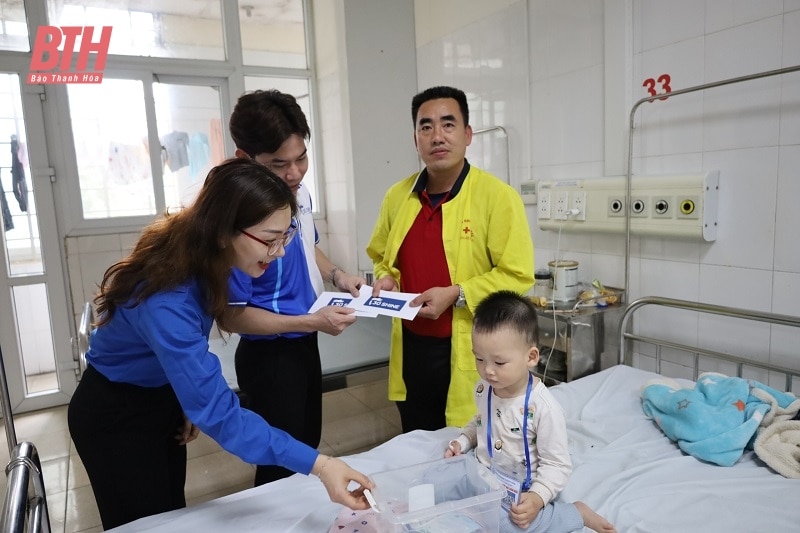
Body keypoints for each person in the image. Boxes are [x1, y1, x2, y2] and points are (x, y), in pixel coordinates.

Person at [67, 158, 373, 530]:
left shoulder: (207, 255)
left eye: (285, 236)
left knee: (170, 513)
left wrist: (181, 394)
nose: (279, 252)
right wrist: (322, 465)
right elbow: (223, 416)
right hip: (116, 413)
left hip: (158, 391)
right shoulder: (167, 296)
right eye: (270, 240)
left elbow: (184, 358)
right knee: (145, 522)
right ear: (225, 230)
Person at [366, 85, 534, 432]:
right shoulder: (398, 196)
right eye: (426, 127)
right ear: (416, 139)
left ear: (467, 134)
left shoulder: (497, 197)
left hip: (472, 349)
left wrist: (457, 293)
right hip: (411, 346)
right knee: (416, 436)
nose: (437, 136)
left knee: (470, 444)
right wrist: (386, 278)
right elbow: (382, 257)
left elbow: (517, 276)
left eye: (448, 124)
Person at [224, 89, 367, 486]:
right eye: (278, 164)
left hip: (303, 342)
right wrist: (310, 321)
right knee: (278, 466)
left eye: (301, 158)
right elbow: (233, 315)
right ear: (245, 159)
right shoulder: (241, 217)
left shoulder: (296, 194)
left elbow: (308, 245)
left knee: (306, 445)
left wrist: (338, 275)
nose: (294, 173)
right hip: (269, 355)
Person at [445, 291, 615, 533]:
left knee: (510, 527)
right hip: (485, 478)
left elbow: (557, 465)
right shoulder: (485, 388)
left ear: (531, 357)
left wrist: (537, 498)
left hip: (521, 492)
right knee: (441, 483)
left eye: (499, 363)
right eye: (479, 359)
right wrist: (463, 440)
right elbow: (481, 422)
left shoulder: (542, 408)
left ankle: (575, 512)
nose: (487, 371)